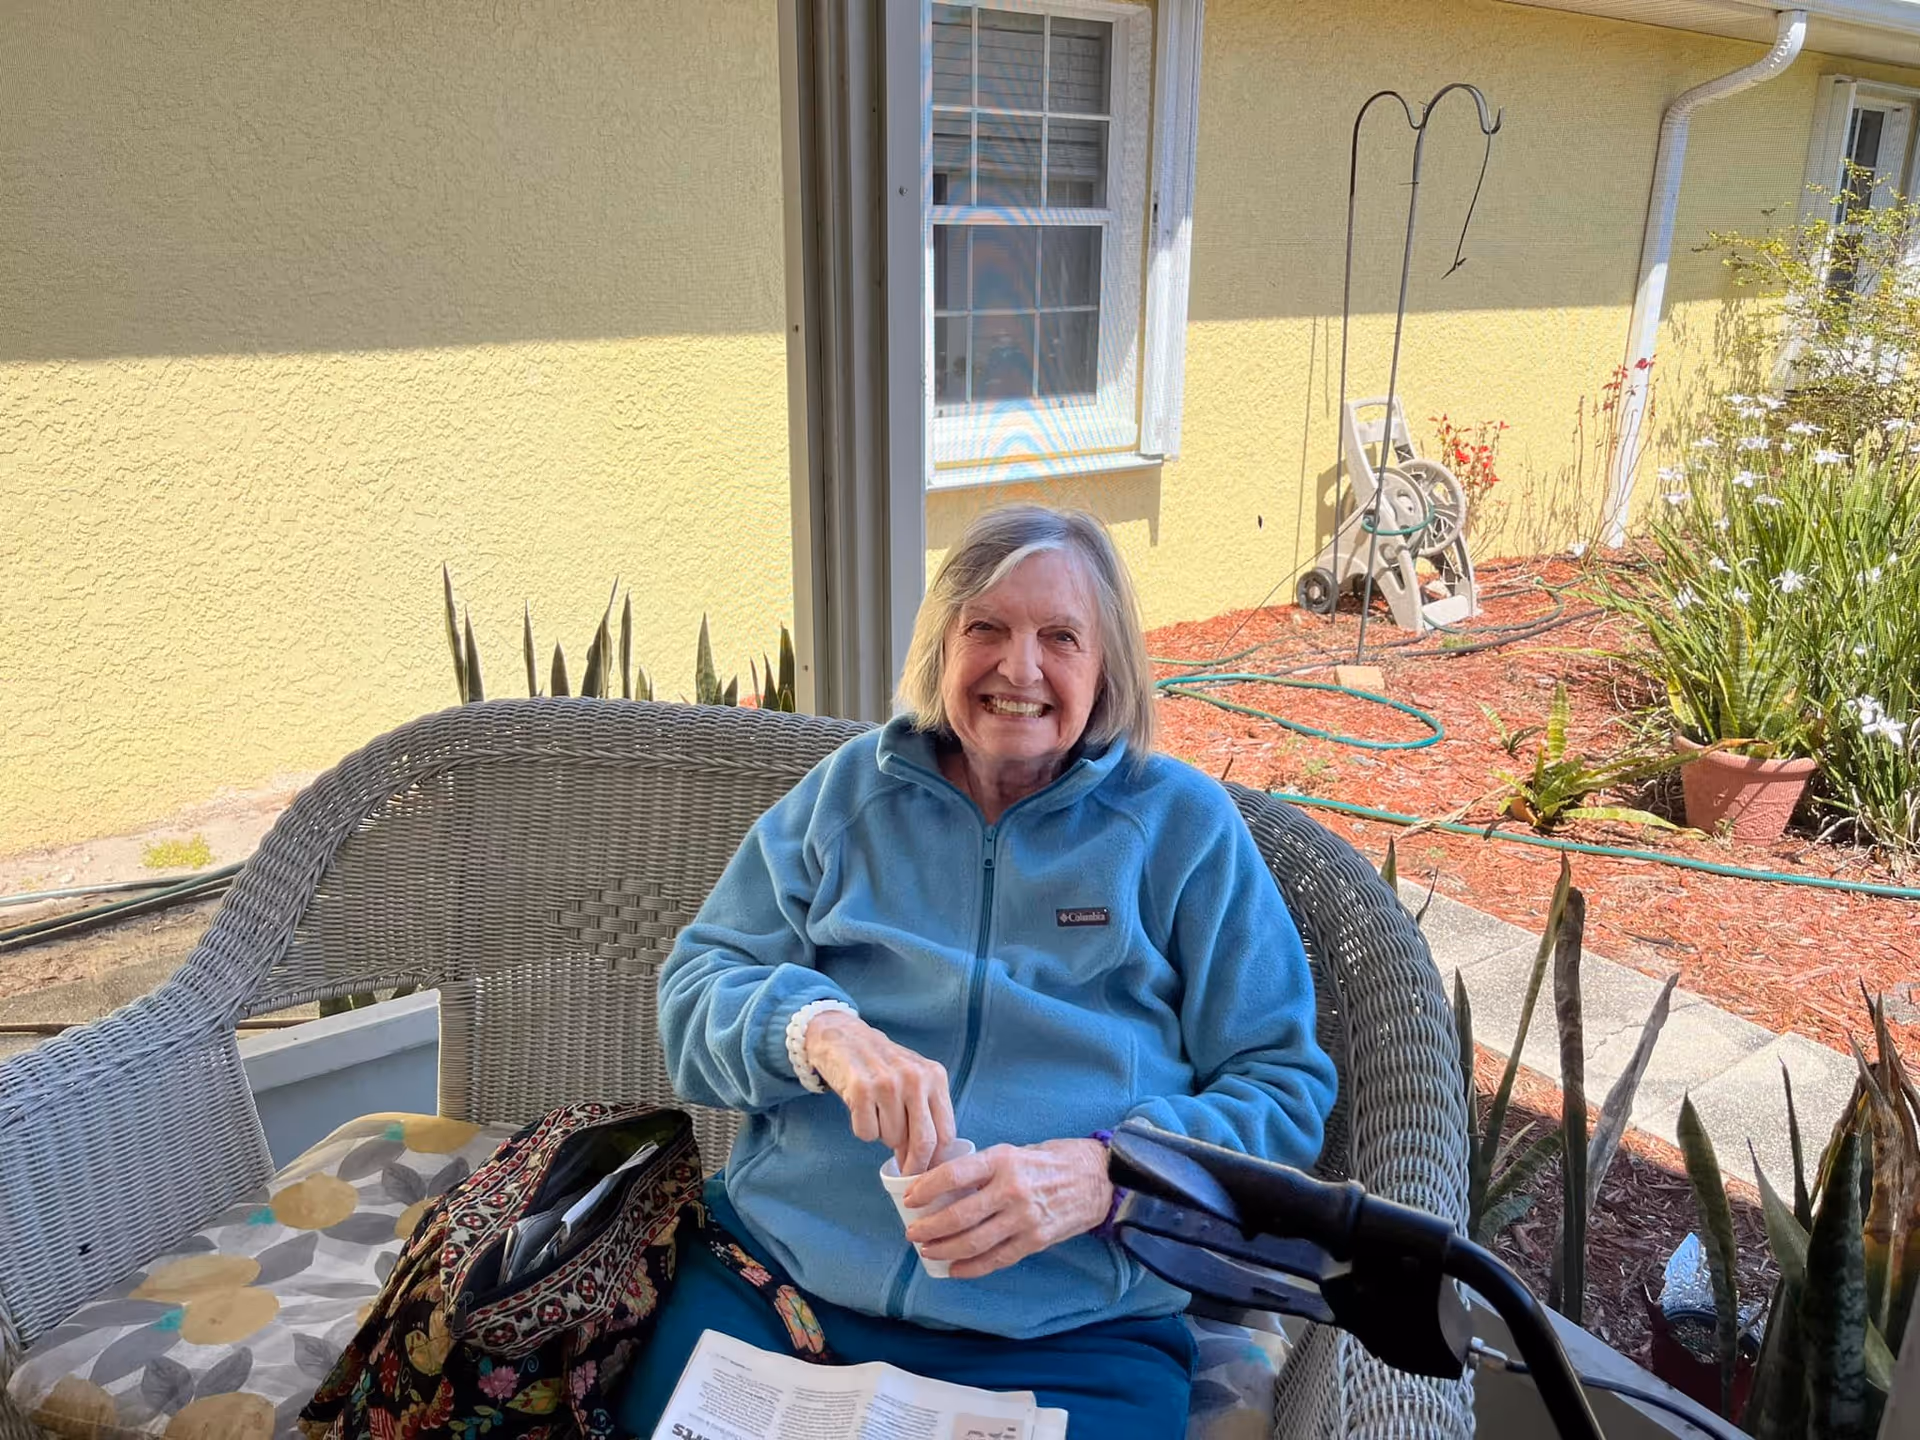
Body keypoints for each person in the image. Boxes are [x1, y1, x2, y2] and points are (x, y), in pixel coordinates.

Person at [616, 504, 1337, 1436]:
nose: (1019, 668)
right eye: (986, 627)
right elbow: (700, 985)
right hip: (780, 1284)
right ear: (942, 645)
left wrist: (1109, 1177)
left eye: (1060, 637)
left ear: (1107, 663)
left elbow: (1284, 1091)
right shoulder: (849, 797)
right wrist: (816, 1032)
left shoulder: (1183, 831)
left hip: (1072, 1329)